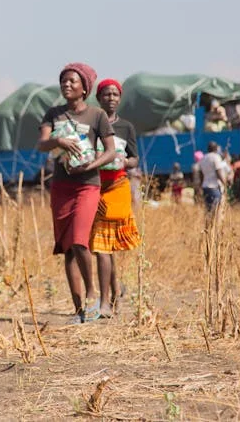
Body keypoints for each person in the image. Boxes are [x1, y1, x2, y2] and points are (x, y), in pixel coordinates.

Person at [38, 63, 116, 323]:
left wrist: (91, 165)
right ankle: (79, 310)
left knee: (80, 240)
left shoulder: (97, 116)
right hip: (61, 187)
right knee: (68, 247)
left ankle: (93, 293)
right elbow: (41, 144)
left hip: (87, 184)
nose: (67, 85)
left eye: (72, 81)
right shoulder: (53, 113)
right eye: (63, 81)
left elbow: (111, 151)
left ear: (85, 87)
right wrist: (57, 141)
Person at [89, 78, 141, 318]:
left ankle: (105, 303)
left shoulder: (126, 127)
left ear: (119, 99)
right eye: (106, 94)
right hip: (94, 187)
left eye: (115, 94)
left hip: (118, 187)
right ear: (99, 98)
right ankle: (115, 292)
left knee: (103, 246)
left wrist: (124, 161)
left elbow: (135, 158)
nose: (111, 98)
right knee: (104, 247)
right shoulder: (91, 124)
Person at [199, 141, 228, 212]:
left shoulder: (203, 158)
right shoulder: (216, 157)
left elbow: (201, 174)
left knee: (208, 210)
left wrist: (201, 185)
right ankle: (214, 223)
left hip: (205, 187)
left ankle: (208, 223)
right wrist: (225, 184)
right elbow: (218, 172)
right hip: (214, 186)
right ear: (216, 148)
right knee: (216, 210)